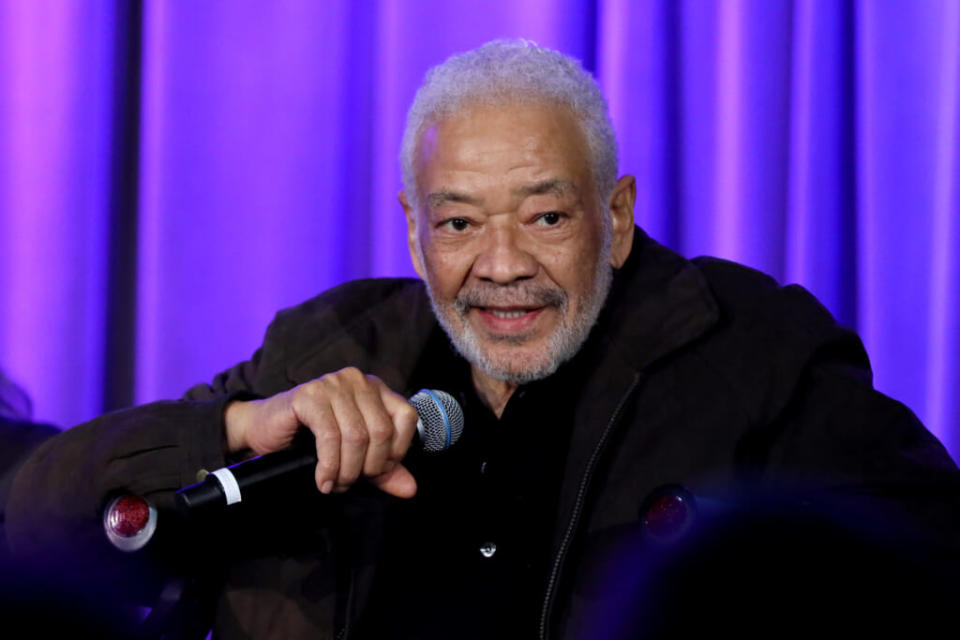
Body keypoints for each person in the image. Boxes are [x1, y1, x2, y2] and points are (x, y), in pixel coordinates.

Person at [4, 40, 959, 639]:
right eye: (458, 224)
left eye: (545, 217)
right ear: (413, 229)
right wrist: (243, 427)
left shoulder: (753, 351)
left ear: (615, 218)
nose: (501, 265)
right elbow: (33, 531)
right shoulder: (324, 345)